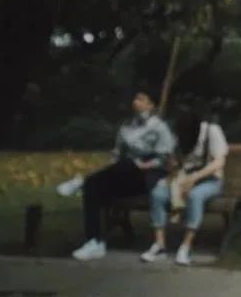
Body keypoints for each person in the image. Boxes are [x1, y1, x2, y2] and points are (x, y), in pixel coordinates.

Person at [71, 91, 175, 261]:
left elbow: (166, 160)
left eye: (141, 99)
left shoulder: (160, 127)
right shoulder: (127, 126)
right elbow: (117, 154)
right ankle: (94, 242)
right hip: (123, 175)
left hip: (145, 177)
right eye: (135, 99)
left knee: (127, 164)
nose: (136, 102)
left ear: (151, 105)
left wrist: (143, 165)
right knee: (93, 188)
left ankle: (82, 181)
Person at [141, 109, 229, 266]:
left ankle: (186, 246)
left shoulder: (212, 131)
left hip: (210, 181)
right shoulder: (179, 136)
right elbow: (176, 162)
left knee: (195, 196)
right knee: (158, 193)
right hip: (183, 177)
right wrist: (172, 168)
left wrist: (194, 178)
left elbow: (219, 162)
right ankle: (159, 245)